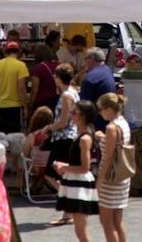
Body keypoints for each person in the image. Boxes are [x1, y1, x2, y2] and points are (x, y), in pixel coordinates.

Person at [53, 100, 99, 242]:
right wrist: (64, 165)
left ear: (83, 116)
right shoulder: (83, 136)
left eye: (74, 113)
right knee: (80, 228)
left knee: (81, 229)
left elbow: (85, 167)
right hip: (75, 181)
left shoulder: (85, 139)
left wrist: (64, 167)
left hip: (79, 183)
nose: (72, 115)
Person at [43, 63, 80, 225]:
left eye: (55, 76)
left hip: (64, 138)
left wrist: (48, 127)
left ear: (59, 78)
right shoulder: (71, 92)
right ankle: (68, 211)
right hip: (67, 138)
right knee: (63, 175)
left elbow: (64, 121)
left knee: (51, 172)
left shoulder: (67, 96)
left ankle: (70, 202)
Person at [95, 92, 131, 242]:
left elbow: (108, 158)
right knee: (117, 221)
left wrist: (99, 181)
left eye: (100, 109)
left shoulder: (111, 128)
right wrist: (102, 137)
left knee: (107, 222)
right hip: (122, 176)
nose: (100, 112)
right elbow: (117, 144)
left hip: (110, 179)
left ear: (109, 109)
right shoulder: (123, 123)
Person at [0, 41, 29, 134]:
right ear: (18, 52)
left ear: (5, 52)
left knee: (2, 138)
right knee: (14, 138)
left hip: (1, 106)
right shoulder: (21, 65)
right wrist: (25, 106)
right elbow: (21, 88)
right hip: (15, 108)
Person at [80, 48, 116, 132]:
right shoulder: (107, 70)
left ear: (92, 58)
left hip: (96, 125)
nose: (84, 63)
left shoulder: (90, 78)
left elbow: (84, 107)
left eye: (85, 59)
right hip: (108, 119)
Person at [22, 106, 54, 195]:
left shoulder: (32, 136)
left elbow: (25, 155)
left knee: (28, 158)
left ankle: (31, 185)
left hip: (37, 167)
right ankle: (41, 183)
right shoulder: (55, 135)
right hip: (53, 166)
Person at [29, 44, 60, 114]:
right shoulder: (58, 65)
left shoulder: (39, 68)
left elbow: (34, 90)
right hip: (56, 100)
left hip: (42, 102)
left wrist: (30, 105)